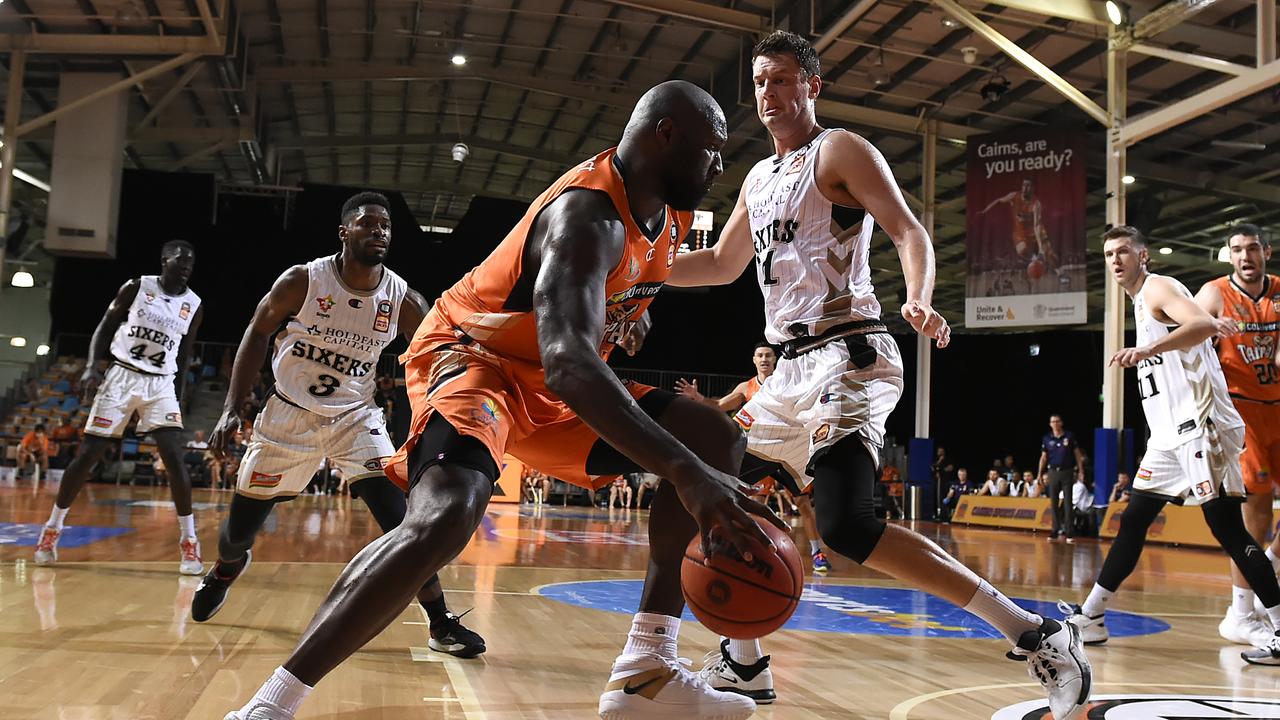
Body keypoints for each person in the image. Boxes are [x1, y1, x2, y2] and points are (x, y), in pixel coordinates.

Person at [224, 81, 781, 720]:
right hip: (471, 358)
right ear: (665, 135)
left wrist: (625, 317)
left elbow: (598, 318)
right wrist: (684, 473)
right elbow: (572, 364)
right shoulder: (586, 217)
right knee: (446, 514)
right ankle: (269, 706)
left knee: (718, 438)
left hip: (543, 373)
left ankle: (645, 671)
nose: (718, 166)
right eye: (711, 150)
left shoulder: (670, 214)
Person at [666, 30, 1090, 718]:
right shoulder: (757, 177)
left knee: (847, 528)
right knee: (710, 490)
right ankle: (743, 663)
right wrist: (632, 272)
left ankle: (1038, 634)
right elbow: (720, 263)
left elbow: (908, 231)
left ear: (813, 86)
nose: (768, 94)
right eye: (760, 82)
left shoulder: (837, 151)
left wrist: (918, 295)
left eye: (781, 80)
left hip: (849, 353)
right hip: (786, 375)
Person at [191, 192, 484, 658]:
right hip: (288, 415)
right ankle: (226, 568)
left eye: (386, 226)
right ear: (344, 232)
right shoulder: (303, 281)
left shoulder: (403, 299)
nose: (379, 232)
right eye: (367, 224)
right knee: (237, 535)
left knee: (404, 522)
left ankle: (439, 621)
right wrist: (232, 406)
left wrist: (438, 415)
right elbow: (256, 332)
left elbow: (437, 353)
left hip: (356, 417)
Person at [1062, 225, 1280, 668]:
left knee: (1229, 532)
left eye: (1124, 251)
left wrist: (1148, 349)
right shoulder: (1142, 301)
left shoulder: (1159, 287)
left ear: (1143, 256)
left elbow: (1198, 322)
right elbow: (1205, 321)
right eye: (1109, 254)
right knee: (1133, 520)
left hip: (1200, 429)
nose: (1116, 260)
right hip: (1167, 440)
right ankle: (1091, 616)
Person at [33, 240, 205, 573]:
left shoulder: (194, 305)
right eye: (180, 260)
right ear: (164, 260)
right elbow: (105, 326)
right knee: (88, 455)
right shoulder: (138, 287)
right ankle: (52, 529)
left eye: (191, 263)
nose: (186, 267)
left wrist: (180, 394)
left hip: (161, 383)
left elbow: (184, 354)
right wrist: (90, 366)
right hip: (122, 376)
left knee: (173, 455)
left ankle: (190, 542)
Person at [676, 341, 832, 573]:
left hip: (788, 451)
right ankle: (753, 550)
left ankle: (817, 552)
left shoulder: (787, 381)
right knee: (756, 504)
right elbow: (720, 405)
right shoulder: (746, 387)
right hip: (761, 452)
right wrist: (699, 398)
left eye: (768, 355)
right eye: (760, 355)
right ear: (754, 360)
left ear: (776, 359)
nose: (764, 359)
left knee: (803, 505)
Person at [1195, 223, 1280, 646]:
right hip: (1240, 413)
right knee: (1257, 513)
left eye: (1252, 248)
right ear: (1229, 255)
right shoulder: (1213, 294)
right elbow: (1183, 338)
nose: (1245, 256)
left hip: (1279, 408)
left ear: (1266, 251)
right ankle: (1240, 613)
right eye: (1236, 250)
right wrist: (1210, 327)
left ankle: (1266, 569)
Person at [980, 177, 1057, 270]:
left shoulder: (1036, 204)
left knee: (1050, 254)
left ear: (1033, 188)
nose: (1024, 188)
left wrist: (1041, 247)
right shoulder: (1014, 196)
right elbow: (999, 201)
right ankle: (1035, 258)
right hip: (1020, 233)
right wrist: (984, 211)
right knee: (1022, 250)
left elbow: (1037, 225)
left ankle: (1059, 273)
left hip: (1035, 231)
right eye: (1023, 185)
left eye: (1028, 186)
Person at [1039, 415, 1087, 542]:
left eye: (1057, 421)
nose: (1055, 423)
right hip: (1053, 471)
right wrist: (1040, 473)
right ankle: (1055, 530)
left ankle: (1069, 532)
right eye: (1052, 421)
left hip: (1067, 471)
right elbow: (1043, 457)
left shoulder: (1069, 436)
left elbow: (1077, 454)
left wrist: (1081, 470)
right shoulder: (1047, 438)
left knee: (1067, 502)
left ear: (1061, 423)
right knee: (1054, 502)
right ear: (1050, 424)